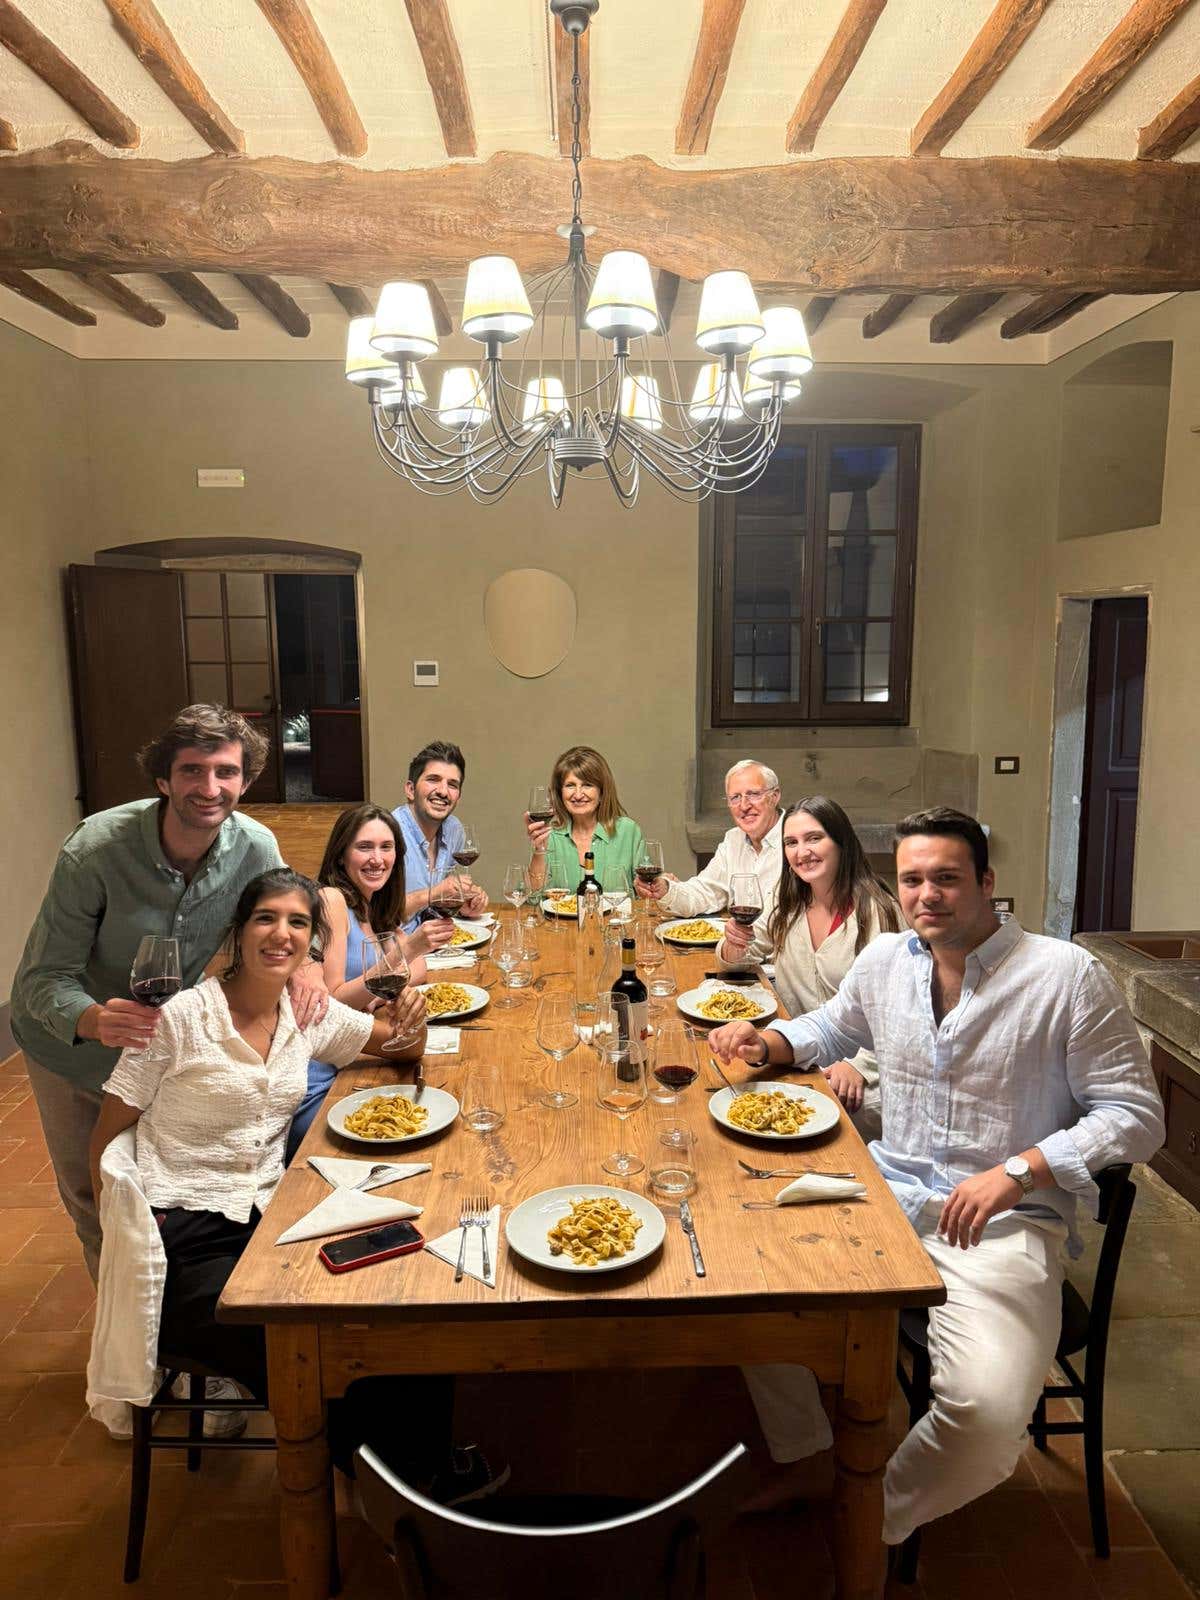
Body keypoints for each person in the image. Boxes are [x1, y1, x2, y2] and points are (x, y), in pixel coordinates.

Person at [710, 807, 1164, 1544]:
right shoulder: (889, 959)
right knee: (739, 1278)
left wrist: (1020, 1171)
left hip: (1000, 1225)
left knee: (986, 1418)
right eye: (913, 879)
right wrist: (768, 1043)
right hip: (884, 1193)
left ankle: (868, 1519)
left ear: (986, 882)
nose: (927, 895)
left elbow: (1137, 1116)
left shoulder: (1065, 976)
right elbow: (833, 1025)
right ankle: (812, 1455)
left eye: (947, 878)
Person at [86, 870, 493, 1499]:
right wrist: (124, 1246)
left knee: (401, 1292)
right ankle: (402, 1483)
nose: (282, 933)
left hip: (266, 1223)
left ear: (311, 941)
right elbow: (105, 1140)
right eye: (266, 918)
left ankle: (411, 1467)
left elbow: (396, 1048)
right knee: (308, 1347)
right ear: (239, 931)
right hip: (181, 1243)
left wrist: (410, 1020)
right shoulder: (180, 1018)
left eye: (297, 922)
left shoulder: (303, 1013)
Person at [11, 703, 325, 1283]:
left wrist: (308, 966)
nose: (210, 787)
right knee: (98, 1197)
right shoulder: (95, 850)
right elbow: (41, 979)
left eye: (226, 772)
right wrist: (93, 1019)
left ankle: (171, 1309)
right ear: (163, 779)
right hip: (73, 1050)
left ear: (245, 781)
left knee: (160, 1187)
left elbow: (292, 912)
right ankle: (124, 1329)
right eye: (192, 771)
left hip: (158, 1044)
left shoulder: (254, 846)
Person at [718, 795, 900, 1139]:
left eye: (814, 838)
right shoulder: (789, 902)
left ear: (841, 842)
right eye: (791, 842)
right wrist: (732, 943)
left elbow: (902, 1016)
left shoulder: (878, 912)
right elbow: (742, 954)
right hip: (794, 1054)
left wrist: (860, 1066)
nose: (802, 852)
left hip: (860, 1075)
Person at [288, 804, 443, 1157]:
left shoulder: (374, 907)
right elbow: (331, 1003)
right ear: (341, 855)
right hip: (319, 1075)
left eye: (386, 847)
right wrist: (405, 952)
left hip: (354, 1055)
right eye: (364, 847)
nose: (377, 859)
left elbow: (420, 969)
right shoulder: (332, 900)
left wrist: (378, 990)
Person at [635, 758, 783, 916]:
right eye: (735, 797)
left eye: (753, 794)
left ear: (774, 796)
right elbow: (705, 892)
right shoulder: (733, 839)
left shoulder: (796, 839)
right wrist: (665, 889)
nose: (744, 806)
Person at [525, 745, 647, 893]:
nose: (578, 795)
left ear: (602, 792)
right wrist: (539, 850)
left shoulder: (628, 831)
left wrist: (659, 885)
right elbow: (533, 898)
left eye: (587, 785)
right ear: (560, 793)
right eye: (570, 785)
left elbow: (648, 890)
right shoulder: (550, 836)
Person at [394, 741, 488, 930]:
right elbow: (373, 914)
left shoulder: (454, 830)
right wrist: (434, 893)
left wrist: (461, 905)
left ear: (458, 796)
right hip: (394, 945)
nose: (443, 791)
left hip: (437, 940)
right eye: (433, 779)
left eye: (452, 785)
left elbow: (436, 905)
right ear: (410, 790)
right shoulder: (388, 833)